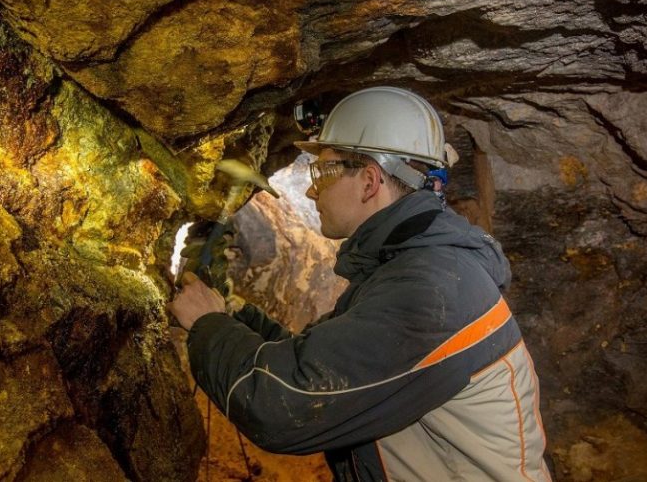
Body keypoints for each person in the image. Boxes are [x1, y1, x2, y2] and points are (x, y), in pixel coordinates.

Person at [168, 86, 550, 481]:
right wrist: (234, 316)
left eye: (323, 172)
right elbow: (318, 363)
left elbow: (286, 405)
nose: (313, 189)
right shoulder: (411, 268)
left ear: (369, 181)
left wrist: (207, 326)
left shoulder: (431, 290)